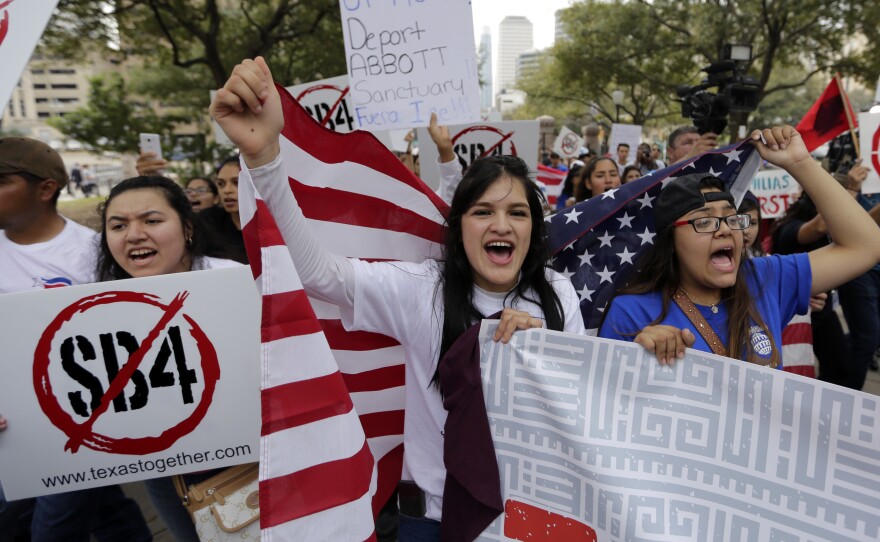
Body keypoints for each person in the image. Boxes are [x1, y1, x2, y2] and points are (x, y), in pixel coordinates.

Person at [210, 57, 587, 539]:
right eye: (482, 211)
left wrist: (548, 355)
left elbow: (579, 400)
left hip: (534, 513)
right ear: (459, 228)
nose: (501, 225)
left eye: (517, 212)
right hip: (432, 518)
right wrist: (266, 161)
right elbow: (320, 275)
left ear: (533, 230)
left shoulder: (555, 292)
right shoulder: (421, 289)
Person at [599, 126, 880, 369]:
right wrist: (637, 357)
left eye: (731, 218)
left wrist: (800, 162)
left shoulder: (766, 277)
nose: (725, 229)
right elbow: (603, 408)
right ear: (671, 241)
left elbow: (866, 246)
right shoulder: (630, 312)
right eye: (705, 221)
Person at [0, 136, 151, 542]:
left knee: (51, 529)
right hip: (14, 426)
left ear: (45, 189)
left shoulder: (95, 251)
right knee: (101, 509)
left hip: (84, 421)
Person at [96, 175, 240, 541]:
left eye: (151, 220)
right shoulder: (94, 310)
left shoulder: (240, 283)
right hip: (163, 470)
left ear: (187, 227)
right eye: (118, 225)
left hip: (251, 457)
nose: (134, 234)